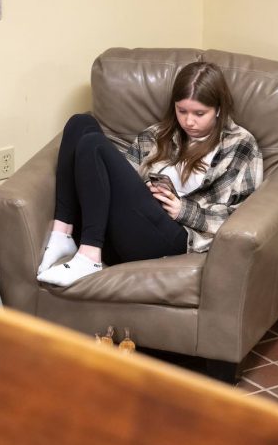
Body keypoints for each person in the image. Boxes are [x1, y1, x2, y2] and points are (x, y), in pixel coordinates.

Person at [37, 60, 263, 288]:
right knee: (80, 123)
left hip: (174, 235)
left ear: (219, 110)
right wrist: (142, 189)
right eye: (181, 111)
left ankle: (89, 258)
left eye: (199, 113)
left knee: (94, 144)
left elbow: (244, 215)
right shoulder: (158, 135)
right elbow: (116, 178)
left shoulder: (241, 145)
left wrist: (183, 210)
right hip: (131, 226)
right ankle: (62, 235)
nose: (188, 121)